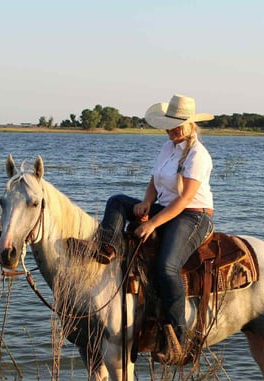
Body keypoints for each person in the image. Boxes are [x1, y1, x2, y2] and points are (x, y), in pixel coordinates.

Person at [70, 94, 215, 360]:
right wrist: (147, 202)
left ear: (190, 124)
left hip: (193, 215)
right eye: (168, 126)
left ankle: (179, 337)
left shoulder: (198, 155)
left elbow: (185, 199)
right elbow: (154, 182)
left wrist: (153, 224)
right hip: (166, 208)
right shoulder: (168, 147)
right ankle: (107, 247)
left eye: (176, 126)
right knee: (117, 201)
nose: (171, 131)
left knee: (167, 267)